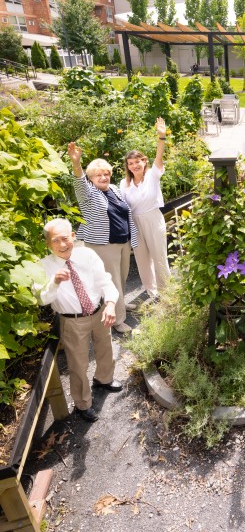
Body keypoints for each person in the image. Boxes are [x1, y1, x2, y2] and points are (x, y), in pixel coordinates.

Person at [34, 219, 123, 422]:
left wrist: (109, 304)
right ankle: (83, 404)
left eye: (65, 238)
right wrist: (54, 282)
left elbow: (105, 281)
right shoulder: (43, 267)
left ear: (73, 236)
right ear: (48, 244)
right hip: (72, 321)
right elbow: (41, 299)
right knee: (78, 363)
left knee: (105, 347)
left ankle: (104, 379)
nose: (63, 244)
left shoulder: (87, 254)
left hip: (99, 311)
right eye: (56, 241)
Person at [68, 142, 138, 334]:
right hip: (103, 245)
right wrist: (76, 163)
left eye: (106, 173)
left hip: (122, 241)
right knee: (113, 280)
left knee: (122, 276)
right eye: (98, 175)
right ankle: (118, 319)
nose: (103, 177)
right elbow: (79, 182)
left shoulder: (114, 189)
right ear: (91, 178)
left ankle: (120, 303)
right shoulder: (88, 194)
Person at [120, 117, 170, 299]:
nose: (134, 166)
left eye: (137, 162)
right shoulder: (123, 183)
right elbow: (122, 205)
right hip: (134, 222)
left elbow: (159, 156)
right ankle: (152, 291)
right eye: (130, 163)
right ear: (127, 166)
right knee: (141, 259)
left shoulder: (152, 175)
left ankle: (167, 293)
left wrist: (161, 137)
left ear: (144, 161)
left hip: (152, 217)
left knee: (159, 256)